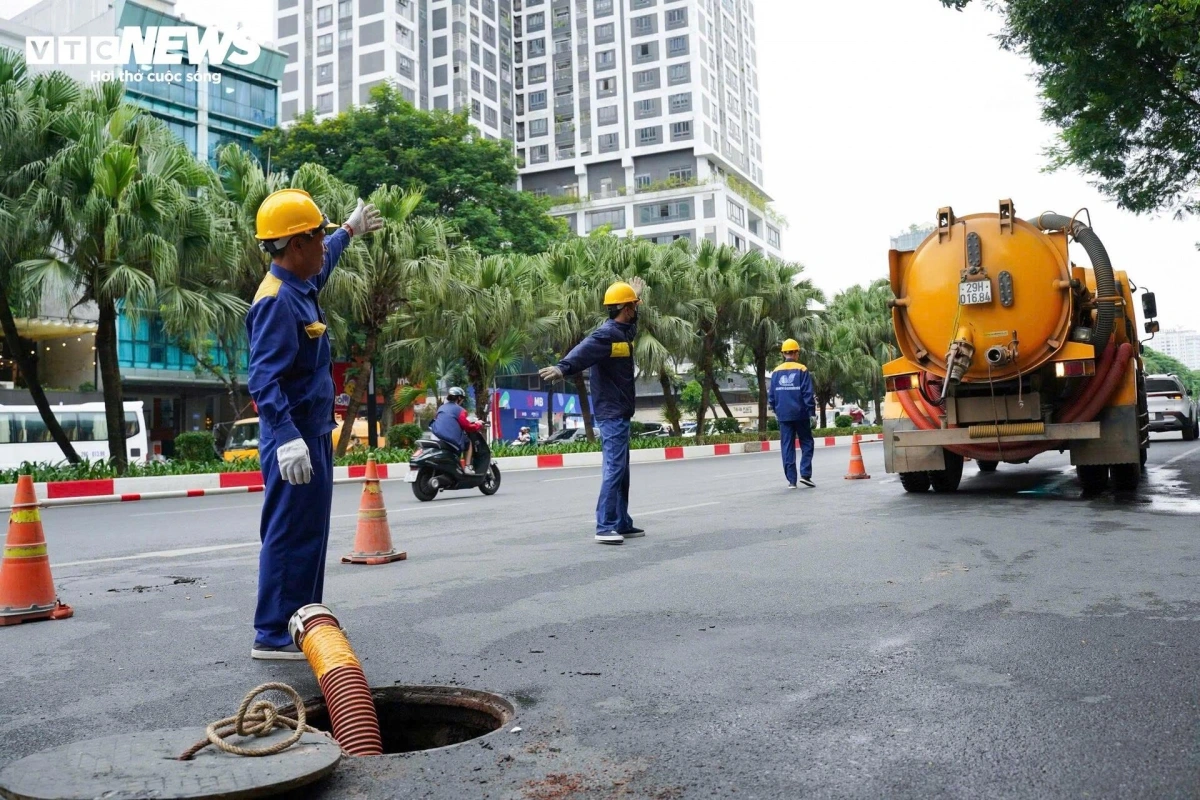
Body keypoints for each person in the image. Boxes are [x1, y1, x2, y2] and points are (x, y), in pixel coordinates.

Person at [246, 189, 382, 660]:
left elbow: (324, 266)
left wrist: (348, 230)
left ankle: (301, 617)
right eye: (320, 236)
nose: (324, 245)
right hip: (294, 436)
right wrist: (286, 438)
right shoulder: (275, 301)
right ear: (296, 243)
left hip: (314, 432)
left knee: (311, 531)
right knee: (288, 531)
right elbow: (263, 378)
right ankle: (272, 632)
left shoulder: (300, 282)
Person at [539, 278, 644, 545]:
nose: (636, 310)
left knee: (622, 469)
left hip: (619, 410)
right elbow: (584, 350)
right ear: (627, 308)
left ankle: (621, 522)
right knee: (614, 468)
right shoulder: (605, 334)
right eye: (634, 305)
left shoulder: (622, 333)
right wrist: (563, 367)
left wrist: (636, 294)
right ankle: (605, 525)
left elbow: (630, 332)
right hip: (611, 411)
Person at [768, 338, 816, 489]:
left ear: (783, 354)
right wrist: (812, 413)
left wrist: (777, 411)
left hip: (784, 415)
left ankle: (792, 481)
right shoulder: (802, 370)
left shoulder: (775, 372)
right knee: (807, 442)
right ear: (796, 353)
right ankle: (805, 474)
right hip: (801, 414)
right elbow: (807, 393)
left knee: (787, 446)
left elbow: (772, 396)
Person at [429, 387, 484, 473]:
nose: (462, 400)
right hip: (449, 438)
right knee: (468, 442)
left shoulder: (441, 408)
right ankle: (467, 467)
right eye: (462, 398)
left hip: (436, 436)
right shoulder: (460, 410)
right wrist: (478, 424)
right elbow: (467, 426)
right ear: (459, 398)